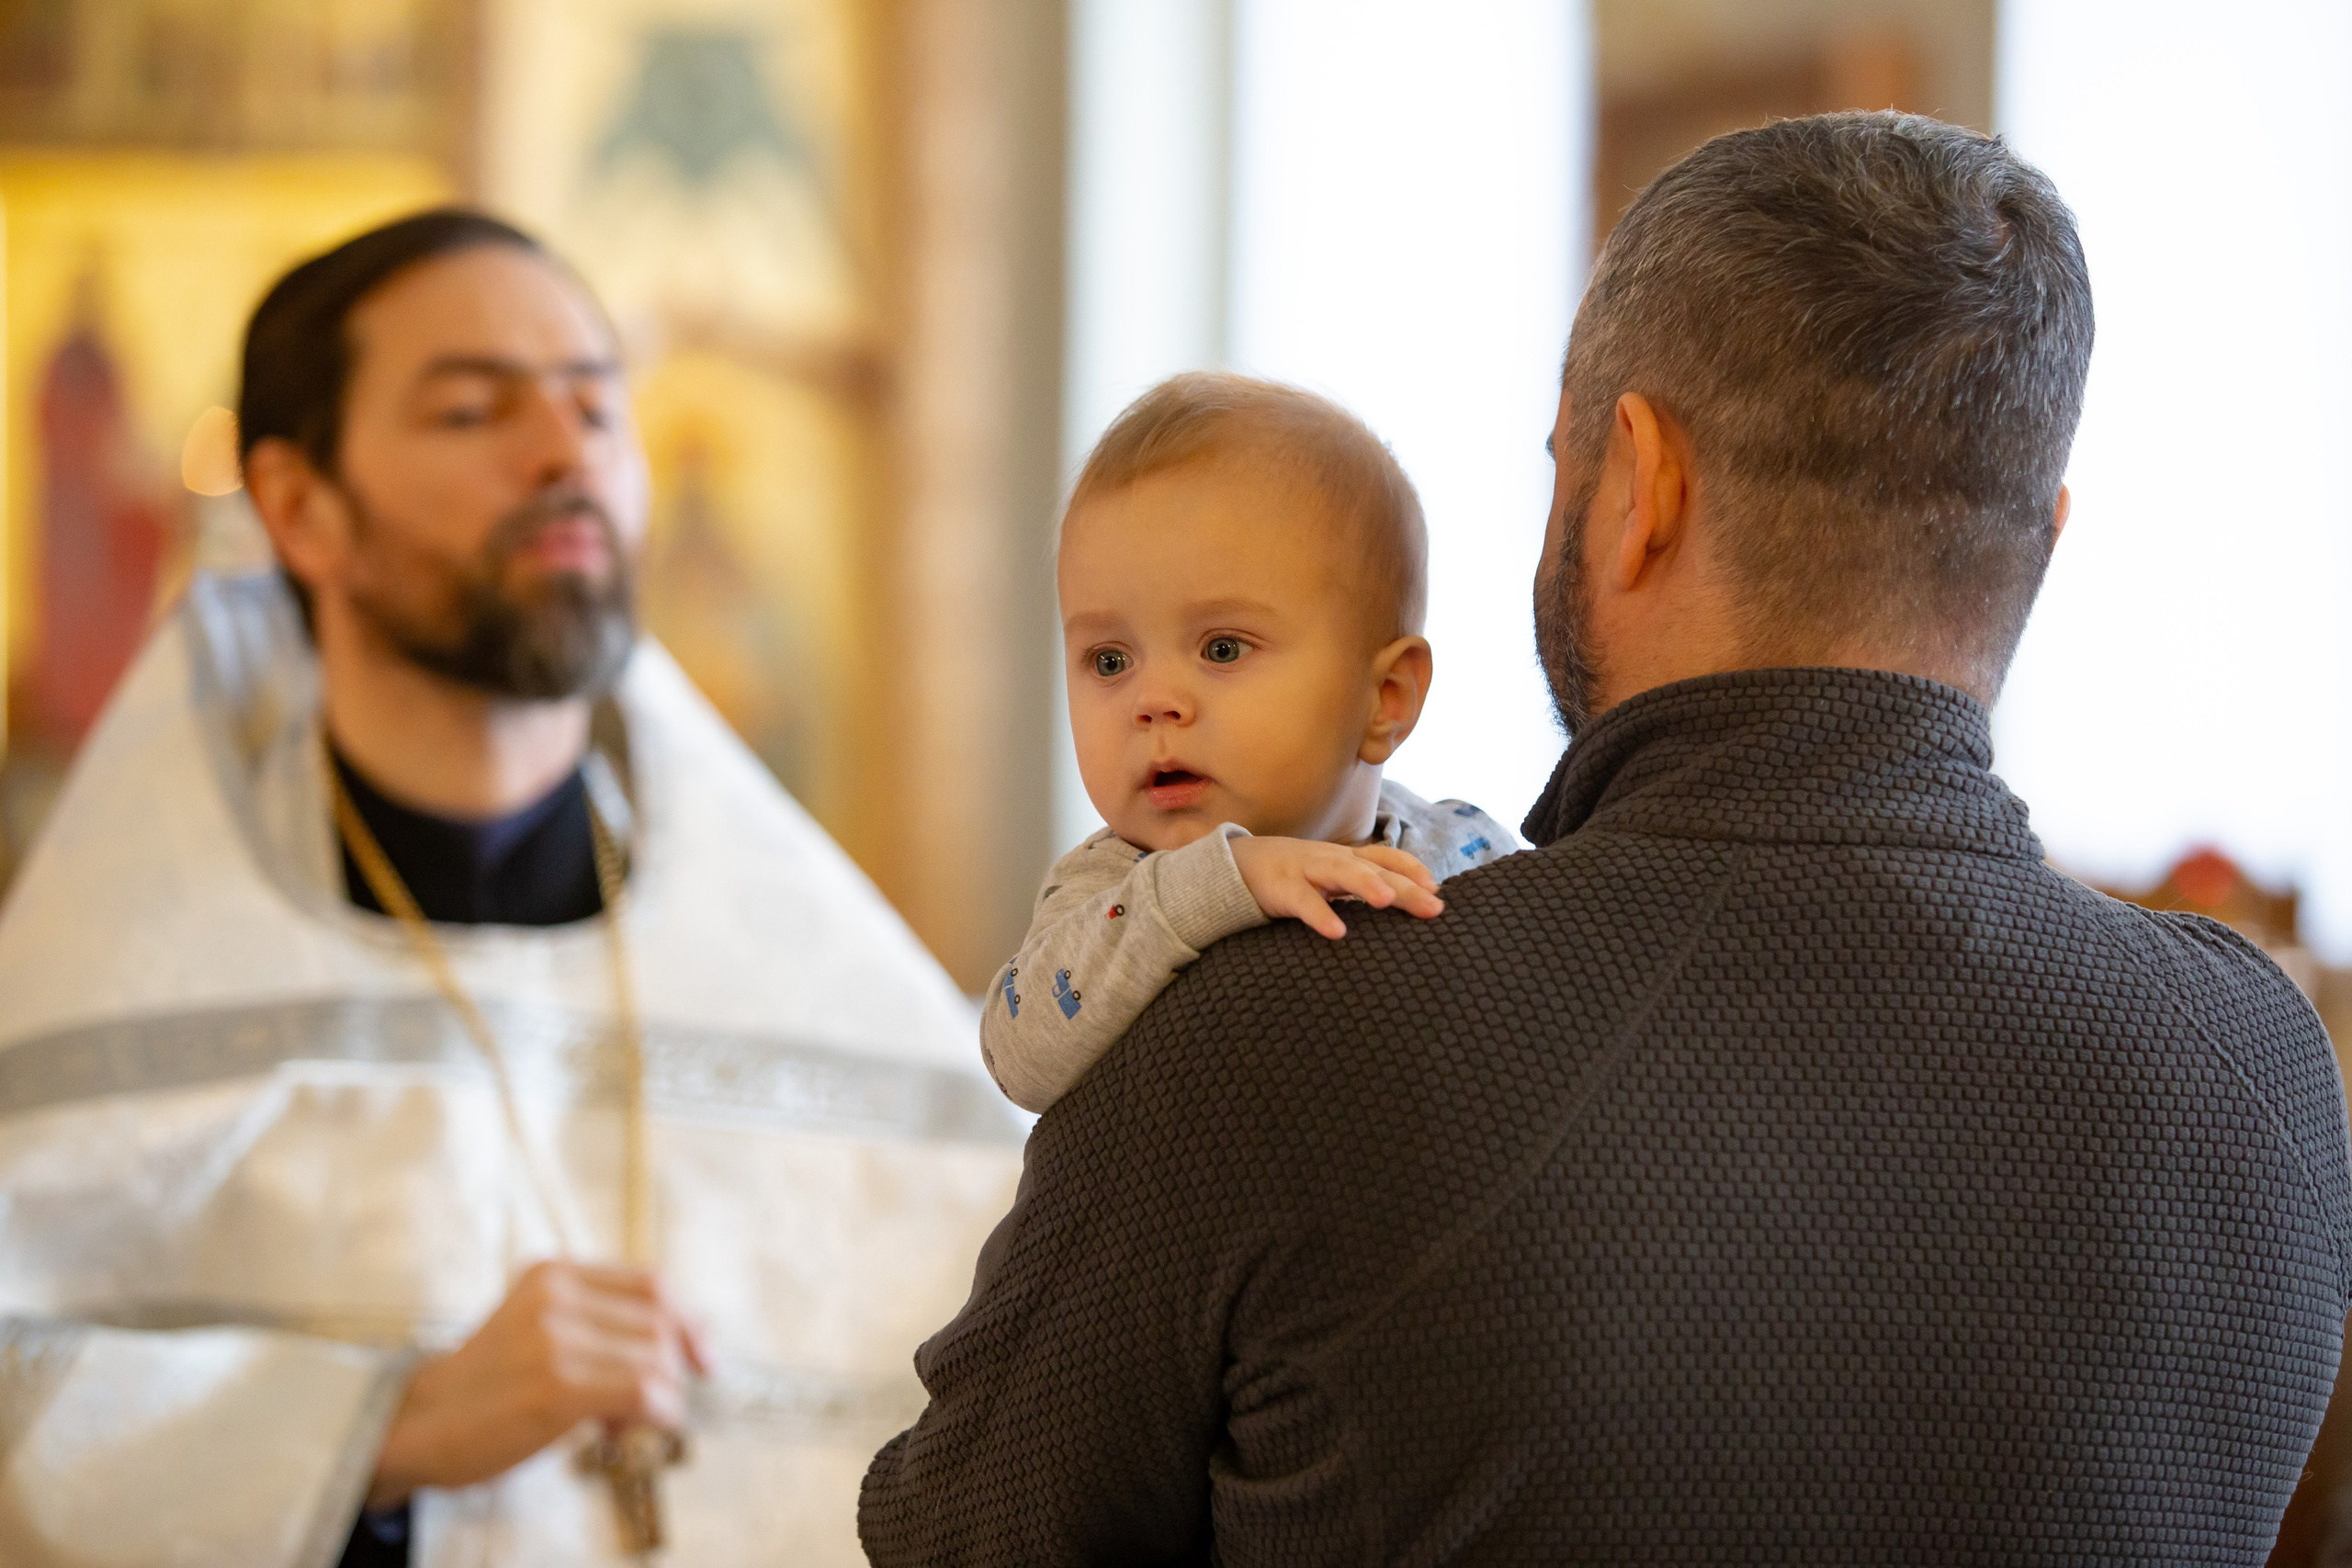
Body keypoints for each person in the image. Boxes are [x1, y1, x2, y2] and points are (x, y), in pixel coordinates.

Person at [860, 111, 2352, 1563]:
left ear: (1638, 487)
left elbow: (960, 1534)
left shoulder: (1261, 1026)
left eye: (1562, 463)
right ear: (2042, 536)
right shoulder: (2270, 1081)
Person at [0, 210, 1022, 1567]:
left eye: (600, 402)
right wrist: (374, 1433)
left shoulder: (805, 978)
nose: (568, 452)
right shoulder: (139, 978)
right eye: (475, 409)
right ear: (300, 505)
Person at [980, 373, 1513, 1112]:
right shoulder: (1113, 887)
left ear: (1384, 698)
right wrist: (1222, 882)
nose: (1153, 701)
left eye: (1223, 648)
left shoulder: (1469, 852)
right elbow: (1018, 1055)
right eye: (1110, 661)